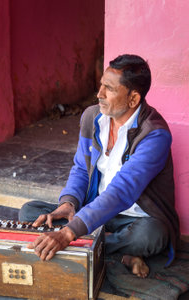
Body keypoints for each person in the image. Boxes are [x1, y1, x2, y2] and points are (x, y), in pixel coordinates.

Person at [19, 54, 180, 278]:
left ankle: (88, 245)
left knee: (151, 237)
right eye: (101, 85)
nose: (99, 94)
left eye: (109, 89)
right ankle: (116, 250)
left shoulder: (154, 135)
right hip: (95, 209)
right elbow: (81, 169)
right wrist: (69, 203)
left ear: (133, 99)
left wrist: (68, 234)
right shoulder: (92, 118)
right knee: (30, 211)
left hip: (136, 217)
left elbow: (123, 191)